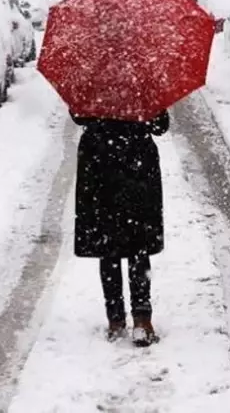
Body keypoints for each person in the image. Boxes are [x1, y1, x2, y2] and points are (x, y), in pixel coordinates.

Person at [72, 110, 170, 346]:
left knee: (109, 246)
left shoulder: (92, 78)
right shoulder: (144, 80)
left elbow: (78, 115)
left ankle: (116, 319)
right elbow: (160, 125)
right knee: (138, 245)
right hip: (137, 165)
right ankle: (141, 319)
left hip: (100, 164)